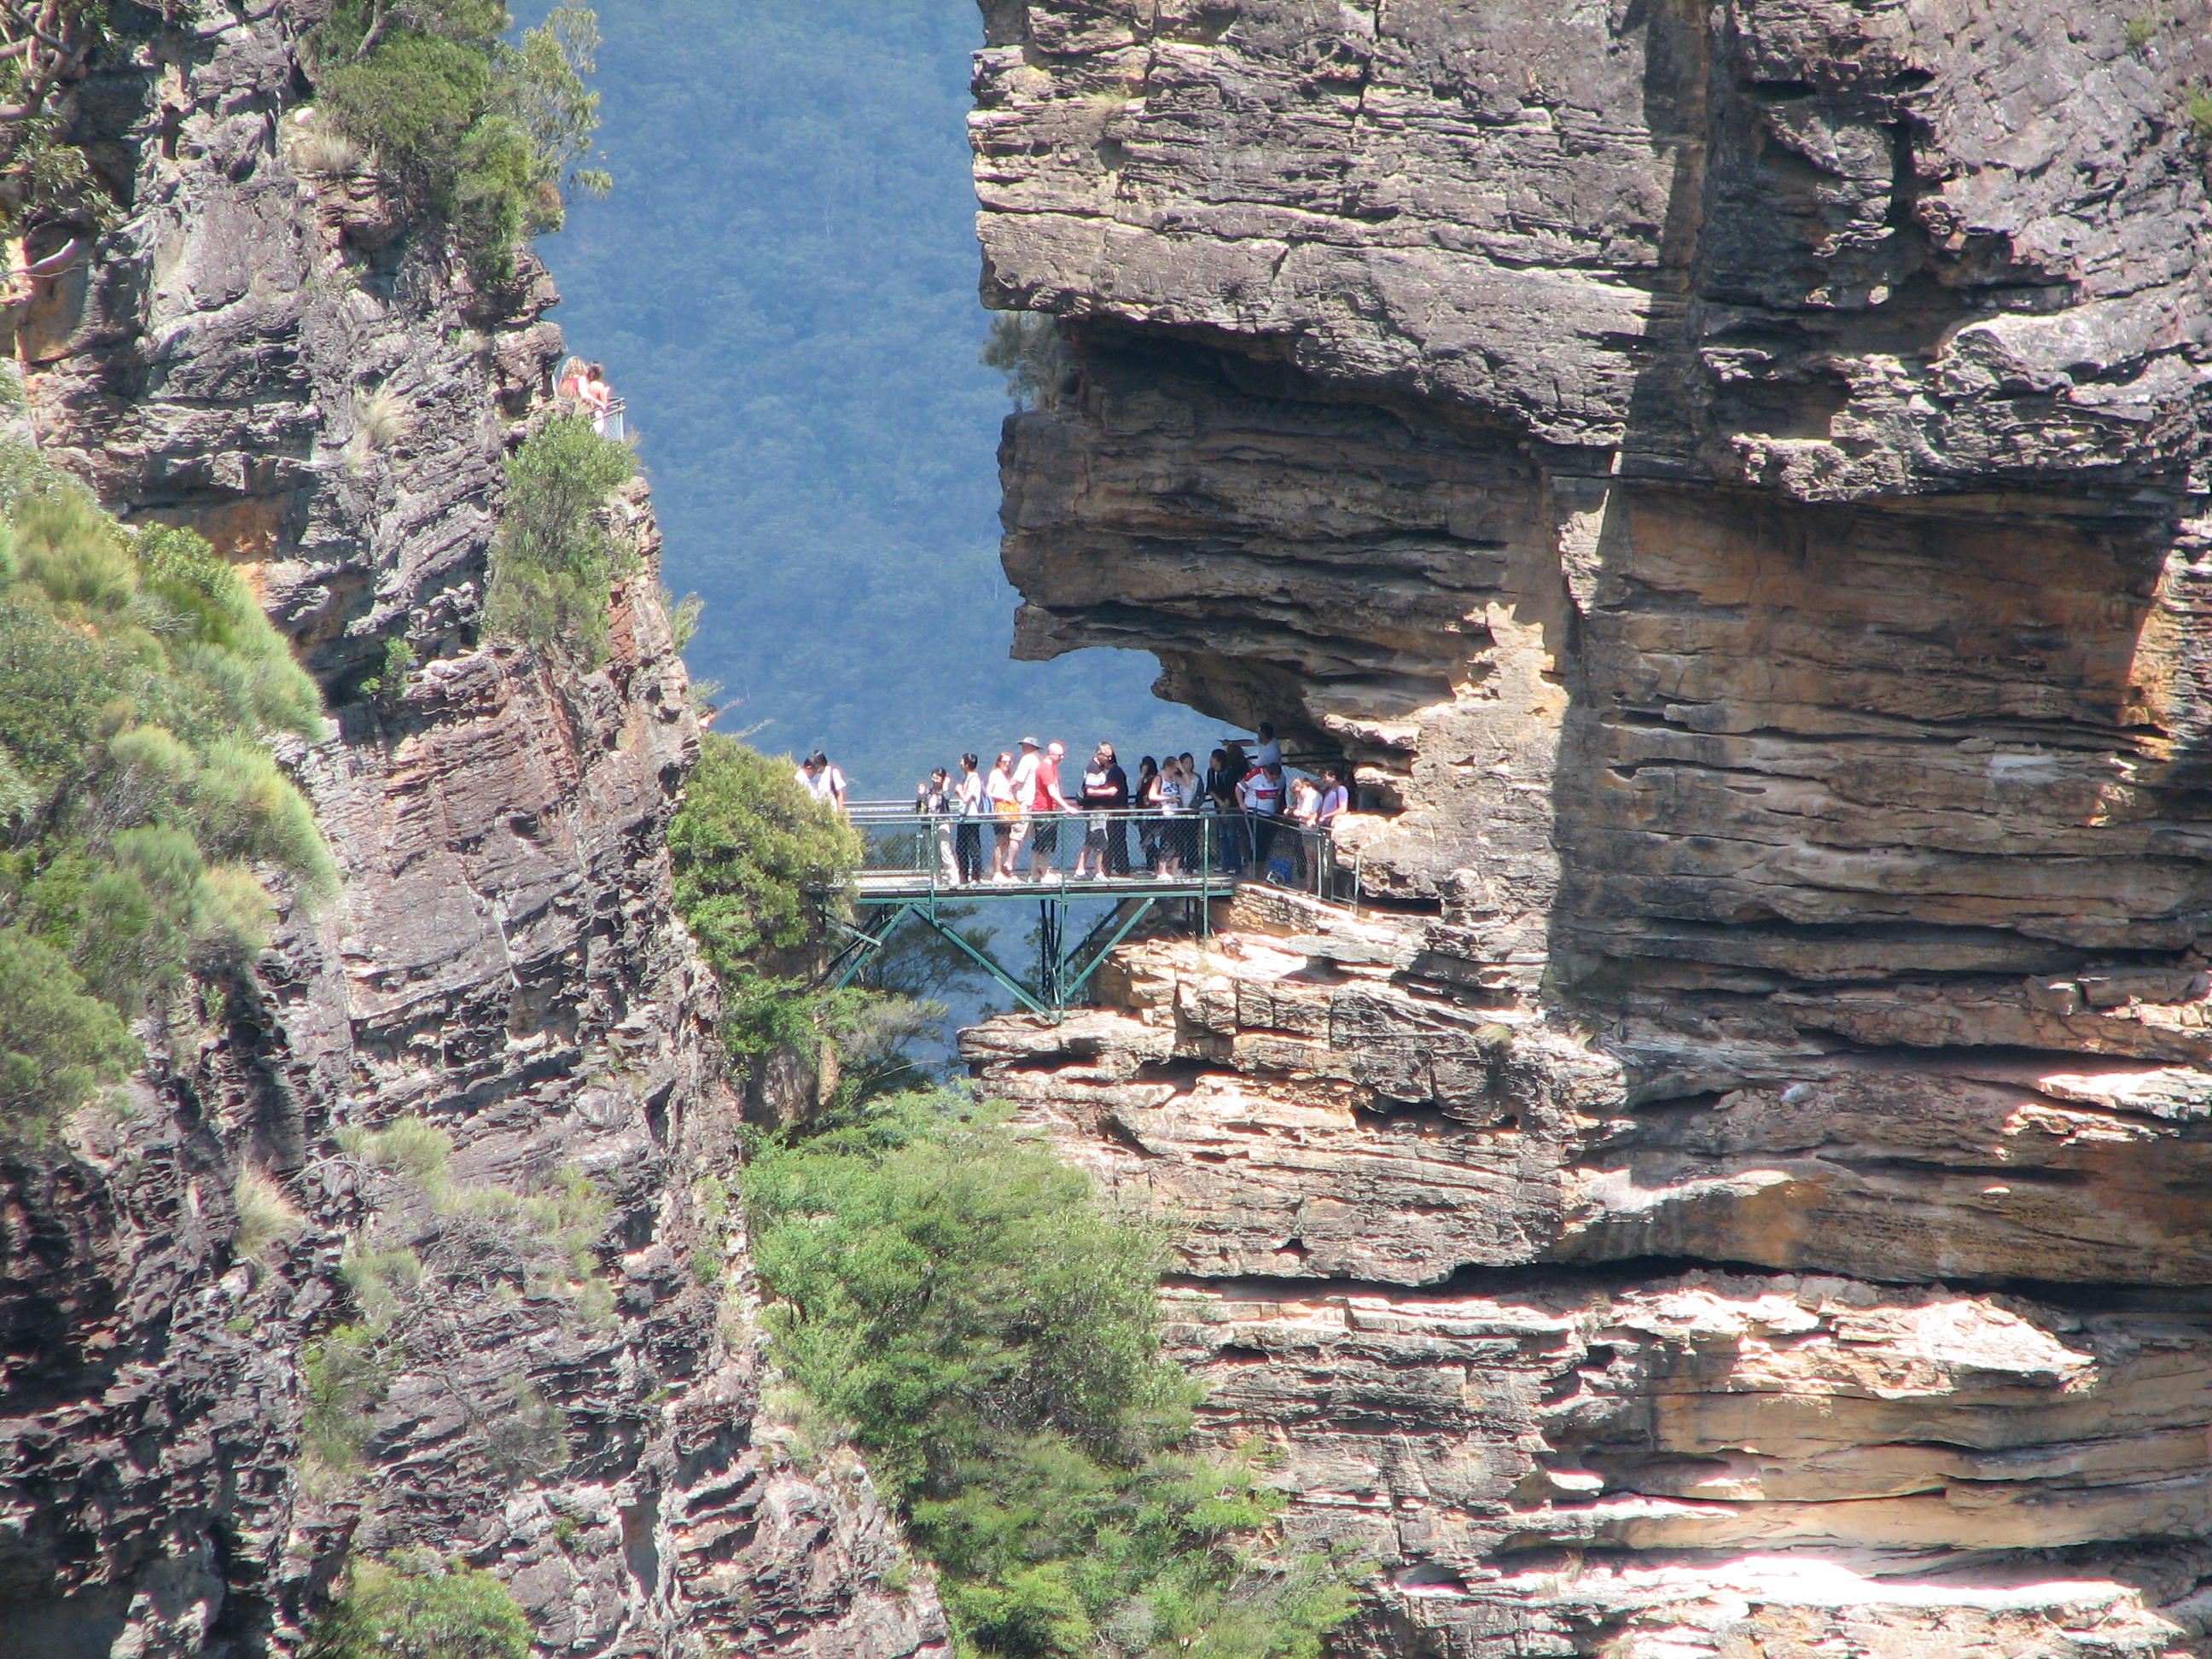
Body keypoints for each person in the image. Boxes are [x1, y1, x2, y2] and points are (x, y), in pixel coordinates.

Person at [1074, 741, 1128, 878]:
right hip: (1096, 809)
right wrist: (1108, 792)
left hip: (1096, 808)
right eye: (1106, 756)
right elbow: (1090, 791)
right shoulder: (1094, 768)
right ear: (1099, 754)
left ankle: (1080, 869)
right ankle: (1098, 872)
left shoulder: (1099, 767)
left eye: (1110, 756)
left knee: (1091, 840)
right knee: (1100, 841)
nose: (1109, 759)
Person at [1027, 739, 1075, 881]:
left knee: (1042, 845)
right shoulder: (1046, 768)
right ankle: (1042, 873)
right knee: (1043, 845)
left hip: (1046, 810)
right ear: (1051, 754)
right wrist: (1067, 807)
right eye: (1059, 755)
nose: (1061, 758)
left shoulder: (1050, 767)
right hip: (1043, 811)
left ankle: (1037, 872)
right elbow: (1052, 792)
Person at [915, 766, 956, 884]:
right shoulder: (929, 792)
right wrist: (921, 795)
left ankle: (953, 878)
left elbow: (947, 799)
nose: (935, 779)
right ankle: (936, 879)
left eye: (938, 777)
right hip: (928, 824)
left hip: (942, 822)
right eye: (933, 776)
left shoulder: (944, 792)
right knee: (931, 852)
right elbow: (919, 808)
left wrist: (946, 787)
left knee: (945, 850)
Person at [986, 750, 1019, 879]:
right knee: (1000, 841)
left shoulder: (1007, 776)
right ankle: (997, 872)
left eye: (1009, 762)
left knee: (1005, 841)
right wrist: (1001, 799)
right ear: (999, 762)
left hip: (1008, 810)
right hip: (999, 809)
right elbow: (989, 791)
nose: (1007, 764)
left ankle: (992, 867)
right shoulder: (995, 774)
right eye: (1004, 762)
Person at [953, 753, 986, 885]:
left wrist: (959, 791)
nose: (960, 763)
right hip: (964, 817)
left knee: (973, 848)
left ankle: (976, 878)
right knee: (960, 848)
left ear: (967, 764)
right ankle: (964, 876)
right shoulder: (967, 778)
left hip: (971, 818)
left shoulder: (974, 779)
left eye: (962, 761)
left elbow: (966, 798)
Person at [1133, 756, 1161, 871]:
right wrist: (1142, 775)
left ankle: (1160, 858)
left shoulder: (1154, 780)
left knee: (1147, 841)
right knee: (1145, 840)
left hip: (1150, 814)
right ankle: (1151, 864)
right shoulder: (1144, 780)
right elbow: (1137, 789)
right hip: (1141, 813)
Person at [800, 749, 847, 814]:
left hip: (832, 811)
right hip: (815, 812)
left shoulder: (833, 772)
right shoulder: (812, 774)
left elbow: (839, 794)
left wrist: (841, 813)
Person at [581, 361, 613, 434]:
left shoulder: (585, 385)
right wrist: (605, 391)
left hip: (585, 412)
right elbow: (604, 403)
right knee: (598, 432)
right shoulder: (599, 385)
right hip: (596, 413)